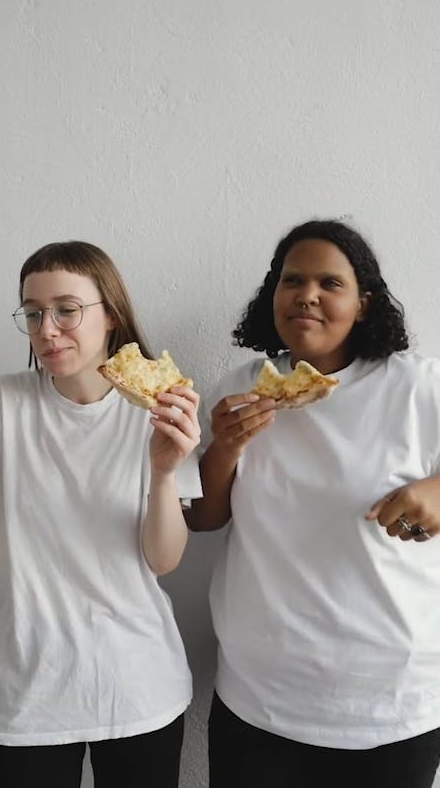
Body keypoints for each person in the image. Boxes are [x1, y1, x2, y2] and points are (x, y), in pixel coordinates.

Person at [186, 219, 440, 788]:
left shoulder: (418, 387)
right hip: (259, 699)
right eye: (291, 280)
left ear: (365, 304)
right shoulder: (244, 386)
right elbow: (202, 518)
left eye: (331, 283)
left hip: (390, 705)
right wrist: (224, 448)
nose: (307, 295)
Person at [0, 240, 201, 788]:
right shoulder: (4, 401)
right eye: (33, 313)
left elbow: (164, 559)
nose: (47, 328)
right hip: (29, 696)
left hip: (139, 688)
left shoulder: (160, 406)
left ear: (112, 315)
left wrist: (163, 471)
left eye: (66, 309)